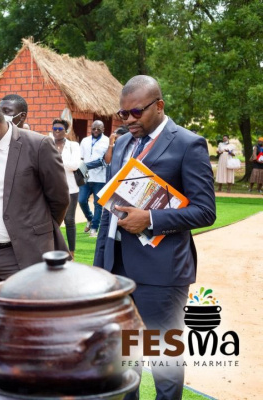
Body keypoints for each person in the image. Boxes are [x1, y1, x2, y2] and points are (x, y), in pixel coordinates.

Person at [94, 75, 216, 400]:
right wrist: (101, 265)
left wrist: (149, 218)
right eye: (123, 114)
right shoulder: (120, 144)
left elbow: (205, 211)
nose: (129, 120)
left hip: (162, 274)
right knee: (125, 361)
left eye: (136, 112)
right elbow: (110, 208)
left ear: (159, 105)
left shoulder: (188, 144)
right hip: (117, 270)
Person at [0, 95, 69, 315]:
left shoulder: (38, 145)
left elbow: (59, 200)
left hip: (22, 254)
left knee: (28, 324)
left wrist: (33, 232)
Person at [52, 118, 80, 259]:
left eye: (60, 129)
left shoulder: (73, 146)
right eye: (55, 129)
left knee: (69, 221)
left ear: (66, 131)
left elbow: (75, 165)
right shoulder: (48, 144)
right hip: (51, 189)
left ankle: (72, 252)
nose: (57, 132)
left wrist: (56, 159)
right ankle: (53, 250)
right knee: (52, 221)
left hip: (71, 189)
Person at [78, 120, 109, 237]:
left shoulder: (107, 142)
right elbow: (80, 157)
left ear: (103, 130)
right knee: (81, 200)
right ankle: (90, 219)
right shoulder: (85, 141)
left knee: (98, 204)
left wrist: (85, 165)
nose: (96, 131)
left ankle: (94, 228)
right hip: (86, 177)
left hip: (100, 178)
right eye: (94, 128)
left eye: (98, 129)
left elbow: (105, 160)